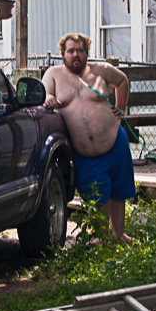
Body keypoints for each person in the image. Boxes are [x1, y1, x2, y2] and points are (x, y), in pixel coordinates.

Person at [43, 32, 136, 243]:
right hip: (84, 152)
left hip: (115, 142)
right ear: (62, 54)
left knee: (119, 190)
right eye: (71, 51)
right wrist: (49, 100)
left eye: (80, 51)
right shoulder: (54, 74)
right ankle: (102, 240)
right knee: (97, 194)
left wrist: (121, 108)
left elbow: (122, 81)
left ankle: (119, 235)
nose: (76, 55)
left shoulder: (101, 70)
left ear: (87, 52)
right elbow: (46, 93)